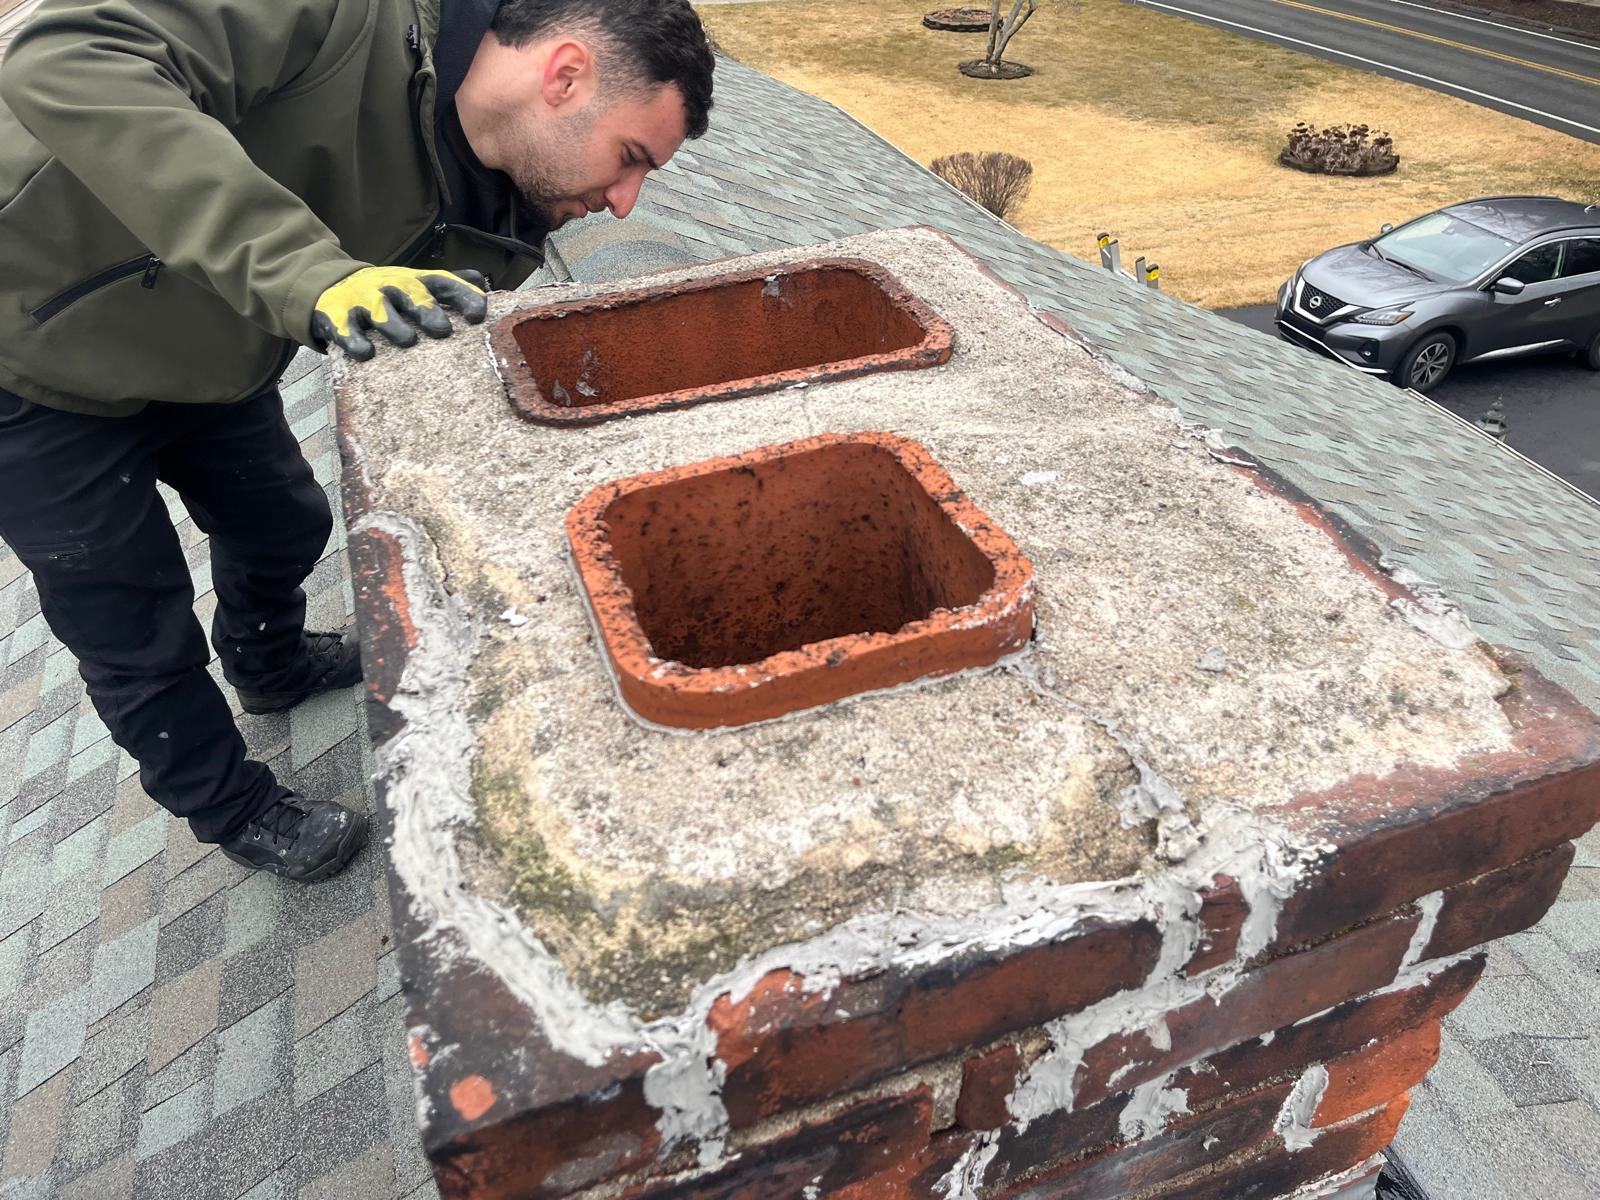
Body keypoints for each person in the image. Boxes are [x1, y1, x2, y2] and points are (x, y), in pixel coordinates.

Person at [0, 0, 714, 883]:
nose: (623, 202)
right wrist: (308, 274)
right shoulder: (335, 15)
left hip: (216, 345)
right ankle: (232, 807)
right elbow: (59, 53)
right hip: (29, 356)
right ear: (564, 75)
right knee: (131, 623)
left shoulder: (501, 211)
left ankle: (269, 664)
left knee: (283, 524)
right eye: (631, 159)